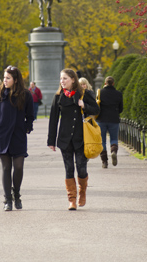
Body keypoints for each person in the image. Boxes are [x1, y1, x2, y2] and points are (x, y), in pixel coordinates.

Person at [48, 69, 100, 210]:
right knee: (69, 168)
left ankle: (82, 192)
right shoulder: (58, 96)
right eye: (61, 78)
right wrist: (51, 141)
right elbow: (53, 120)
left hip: (81, 138)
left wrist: (85, 106)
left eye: (65, 78)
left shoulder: (84, 94)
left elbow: (96, 110)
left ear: (72, 79)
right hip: (65, 139)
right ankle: (71, 200)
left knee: (81, 168)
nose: (62, 81)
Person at [0, 66, 34, 211]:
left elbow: (30, 115)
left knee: (18, 167)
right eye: (4, 77)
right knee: (6, 167)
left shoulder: (26, 95)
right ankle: (7, 200)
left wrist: (27, 127)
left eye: (8, 78)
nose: (5, 80)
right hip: (2, 136)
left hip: (18, 136)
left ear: (15, 80)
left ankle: (17, 194)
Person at [96, 76, 123, 168]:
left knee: (102, 141)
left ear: (105, 83)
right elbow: (121, 109)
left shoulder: (100, 93)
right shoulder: (118, 94)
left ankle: (104, 162)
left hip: (101, 119)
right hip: (114, 119)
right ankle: (114, 151)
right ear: (113, 83)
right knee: (114, 139)